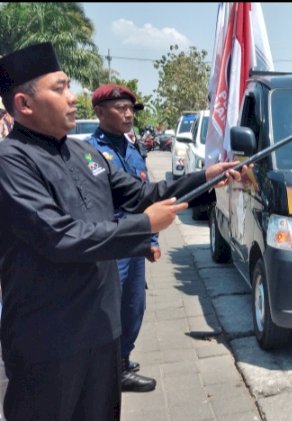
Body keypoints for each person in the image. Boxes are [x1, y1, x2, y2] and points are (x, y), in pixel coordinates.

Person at [0, 42, 247, 420]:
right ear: (24, 104)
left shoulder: (84, 154)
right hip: (48, 341)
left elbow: (144, 193)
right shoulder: (11, 162)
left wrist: (206, 178)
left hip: (100, 329)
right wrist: (144, 225)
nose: (73, 97)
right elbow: (59, 236)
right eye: (60, 87)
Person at [85, 83, 158, 392]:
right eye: (121, 108)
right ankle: (105, 372)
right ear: (100, 112)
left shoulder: (133, 147)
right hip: (113, 242)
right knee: (107, 311)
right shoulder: (89, 152)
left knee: (134, 305)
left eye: (131, 109)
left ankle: (122, 362)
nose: (129, 114)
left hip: (136, 239)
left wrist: (151, 239)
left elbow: (147, 193)